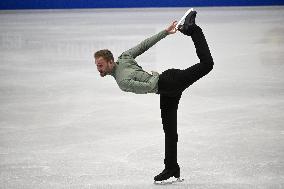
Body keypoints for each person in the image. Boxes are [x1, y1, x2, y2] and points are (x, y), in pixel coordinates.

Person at [94, 10, 214, 183]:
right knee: (170, 131)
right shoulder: (124, 60)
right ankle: (171, 167)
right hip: (165, 90)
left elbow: (149, 83)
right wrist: (164, 33)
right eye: (97, 66)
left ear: (111, 61)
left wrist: (165, 32)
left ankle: (193, 30)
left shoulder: (122, 78)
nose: (99, 69)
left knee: (207, 64)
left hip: (168, 82)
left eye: (101, 65)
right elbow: (144, 51)